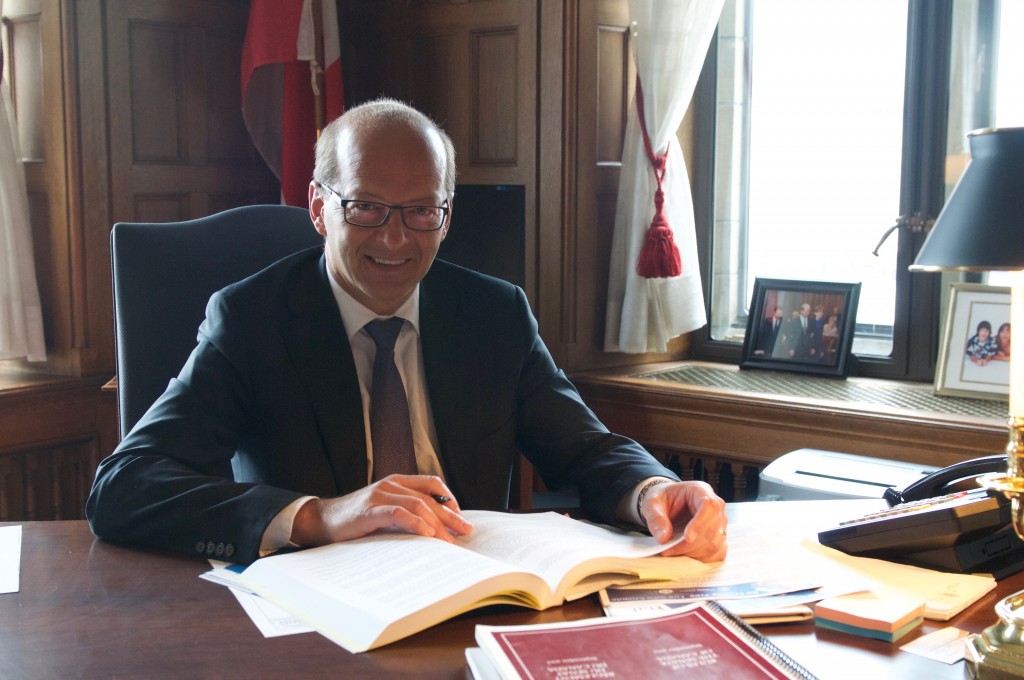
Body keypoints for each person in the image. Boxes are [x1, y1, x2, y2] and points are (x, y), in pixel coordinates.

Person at [86, 98, 727, 566]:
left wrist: (657, 491)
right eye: (366, 206)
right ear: (318, 208)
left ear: (446, 217)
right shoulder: (250, 321)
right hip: (313, 618)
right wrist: (319, 515)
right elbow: (124, 486)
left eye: (422, 210)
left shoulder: (494, 314)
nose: (396, 238)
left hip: (471, 599)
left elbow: (585, 448)